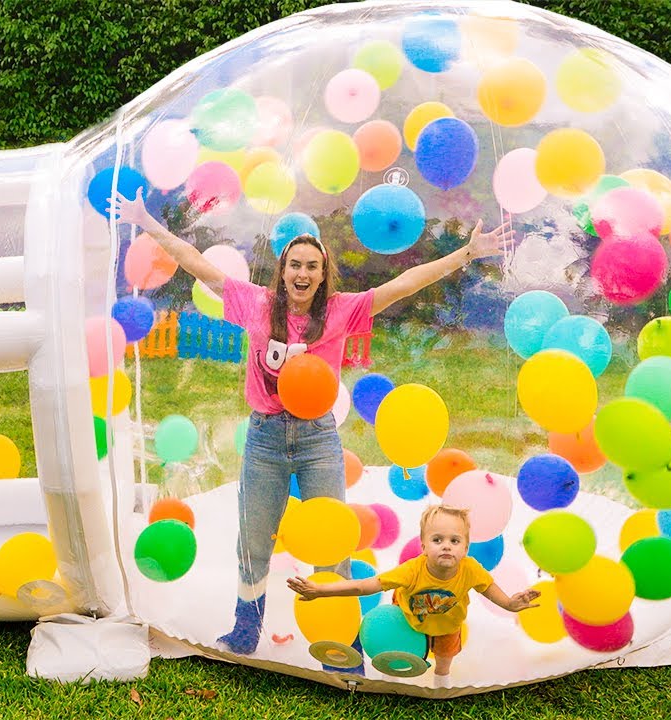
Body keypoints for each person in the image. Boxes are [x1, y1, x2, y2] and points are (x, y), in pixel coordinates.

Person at [110, 188, 514, 657]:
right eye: (294, 265)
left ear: (323, 276)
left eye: (312, 266)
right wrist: (145, 221)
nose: (302, 273)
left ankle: (342, 638)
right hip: (264, 438)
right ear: (283, 272)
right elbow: (194, 262)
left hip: (318, 438)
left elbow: (404, 284)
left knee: (332, 542)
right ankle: (246, 628)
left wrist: (466, 253)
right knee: (253, 537)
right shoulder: (256, 303)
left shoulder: (342, 310)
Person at [288, 505, 540, 681]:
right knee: (397, 655)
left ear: (465, 547)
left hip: (447, 624)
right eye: (437, 539)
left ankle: (440, 690)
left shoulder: (470, 569)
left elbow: (489, 589)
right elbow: (365, 586)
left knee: (443, 664)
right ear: (423, 545)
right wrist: (321, 590)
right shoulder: (412, 570)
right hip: (407, 619)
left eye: (455, 541)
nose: (446, 547)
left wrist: (509, 604)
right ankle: (394, 680)